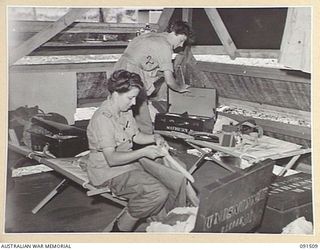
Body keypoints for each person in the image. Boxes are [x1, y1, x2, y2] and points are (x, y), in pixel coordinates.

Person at [86, 70, 187, 232]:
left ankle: (165, 222)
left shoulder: (124, 110)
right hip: (107, 171)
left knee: (173, 176)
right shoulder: (103, 119)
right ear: (115, 93)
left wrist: (155, 137)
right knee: (156, 192)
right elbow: (112, 159)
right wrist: (144, 152)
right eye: (130, 98)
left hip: (128, 163)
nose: (134, 103)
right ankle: (119, 230)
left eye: (135, 98)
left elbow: (136, 136)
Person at [113, 21, 192, 134]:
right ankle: (148, 137)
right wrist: (180, 88)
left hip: (120, 67)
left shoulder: (157, 35)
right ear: (174, 33)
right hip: (131, 70)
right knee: (140, 106)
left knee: (116, 103)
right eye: (181, 40)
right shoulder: (165, 47)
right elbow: (170, 81)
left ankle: (117, 133)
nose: (181, 45)